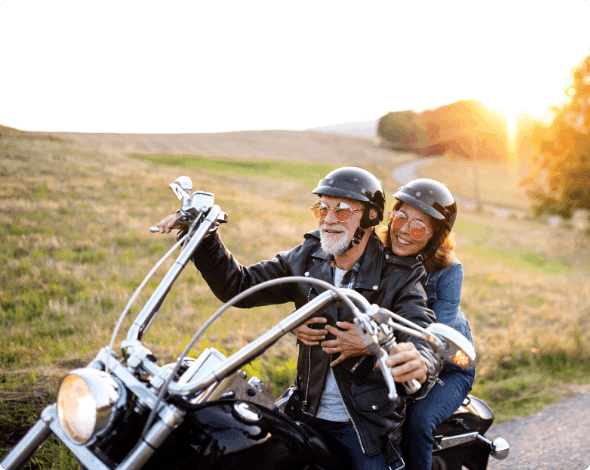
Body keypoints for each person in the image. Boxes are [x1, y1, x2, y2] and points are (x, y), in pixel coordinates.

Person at [157, 167, 442, 470]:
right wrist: (205, 235)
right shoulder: (307, 256)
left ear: (371, 216)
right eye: (323, 207)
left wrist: (420, 359)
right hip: (304, 410)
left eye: (343, 210)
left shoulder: (399, 274)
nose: (329, 219)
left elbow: (420, 330)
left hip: (362, 427)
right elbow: (238, 285)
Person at [309, 178, 475, 470]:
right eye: (400, 217)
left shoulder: (449, 270)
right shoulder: (373, 248)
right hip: (388, 356)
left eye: (419, 226)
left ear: (436, 235)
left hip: (446, 367)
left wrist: (368, 344)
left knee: (418, 420)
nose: (404, 232)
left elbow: (435, 339)